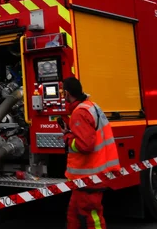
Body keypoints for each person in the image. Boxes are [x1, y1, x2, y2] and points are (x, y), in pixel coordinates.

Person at [60, 77, 120, 229]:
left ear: (67, 93)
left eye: (62, 93)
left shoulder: (79, 113)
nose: (62, 96)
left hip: (87, 177)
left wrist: (67, 137)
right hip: (88, 176)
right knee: (73, 214)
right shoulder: (91, 106)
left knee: (91, 217)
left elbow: (85, 145)